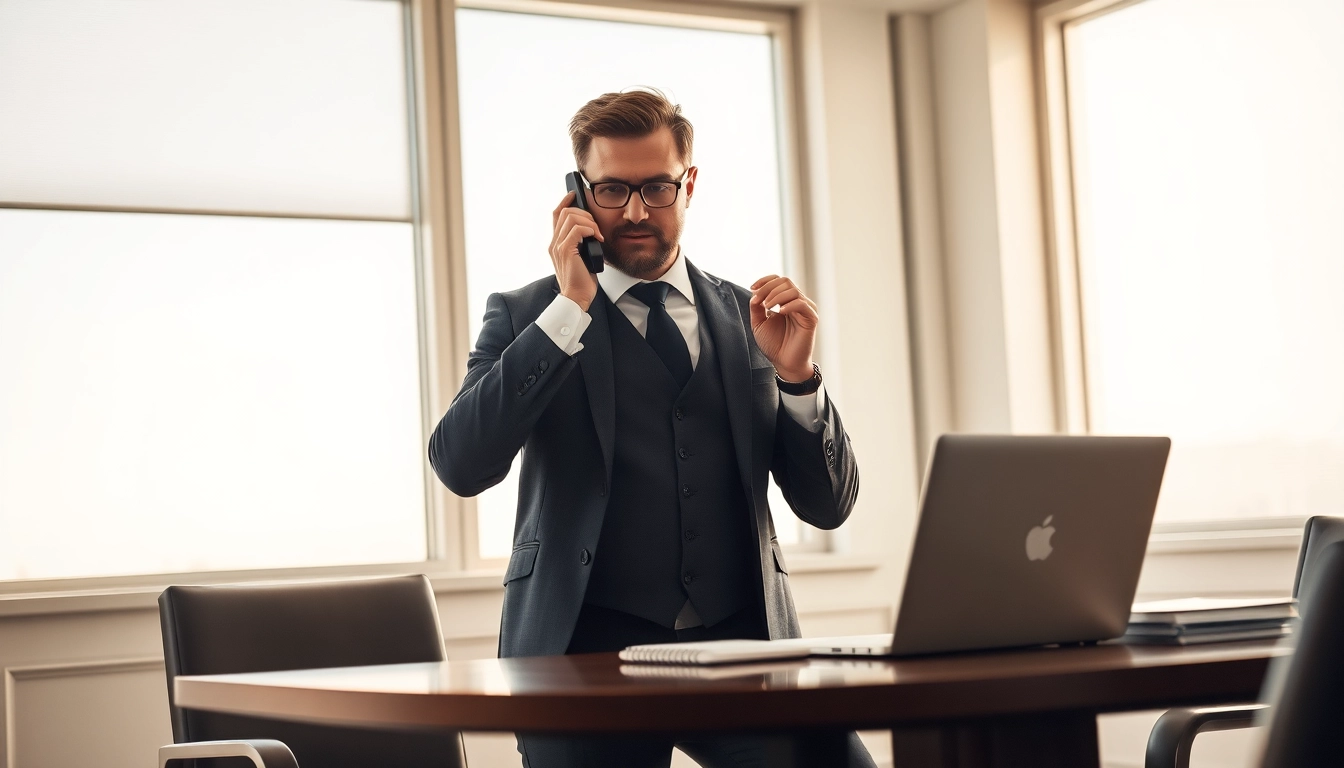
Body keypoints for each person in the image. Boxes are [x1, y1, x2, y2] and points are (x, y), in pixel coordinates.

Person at [428, 88, 871, 768]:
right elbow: (460, 465)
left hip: (744, 650)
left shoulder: (752, 317)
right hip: (579, 658)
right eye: (612, 190)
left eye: (657, 188)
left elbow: (828, 506)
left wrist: (797, 379)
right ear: (578, 195)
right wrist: (569, 310)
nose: (636, 212)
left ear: (688, 185)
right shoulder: (526, 315)